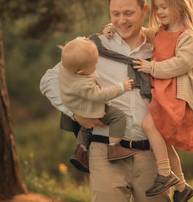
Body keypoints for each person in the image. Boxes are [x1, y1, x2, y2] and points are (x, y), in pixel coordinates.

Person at [40, 0, 172, 202]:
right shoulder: (93, 47)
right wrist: (76, 114)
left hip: (151, 154)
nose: (121, 20)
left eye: (128, 13)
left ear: (145, 11)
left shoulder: (159, 48)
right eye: (115, 14)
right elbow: (49, 80)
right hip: (105, 152)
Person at [130, 0, 193, 202]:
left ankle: (164, 174)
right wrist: (114, 28)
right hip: (162, 92)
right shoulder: (162, 31)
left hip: (175, 96)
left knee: (148, 125)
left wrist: (151, 67)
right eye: (158, 7)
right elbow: (142, 32)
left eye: (165, 7)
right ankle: (181, 186)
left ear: (180, 5)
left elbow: (182, 63)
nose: (160, 11)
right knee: (162, 137)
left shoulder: (186, 36)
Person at [58, 38, 136, 173]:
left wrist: (84, 43)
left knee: (86, 127)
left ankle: (80, 150)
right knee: (118, 117)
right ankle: (114, 148)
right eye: (94, 64)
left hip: (77, 106)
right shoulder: (84, 85)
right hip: (90, 108)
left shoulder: (65, 68)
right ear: (80, 71)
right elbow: (100, 95)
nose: (96, 65)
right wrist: (121, 87)